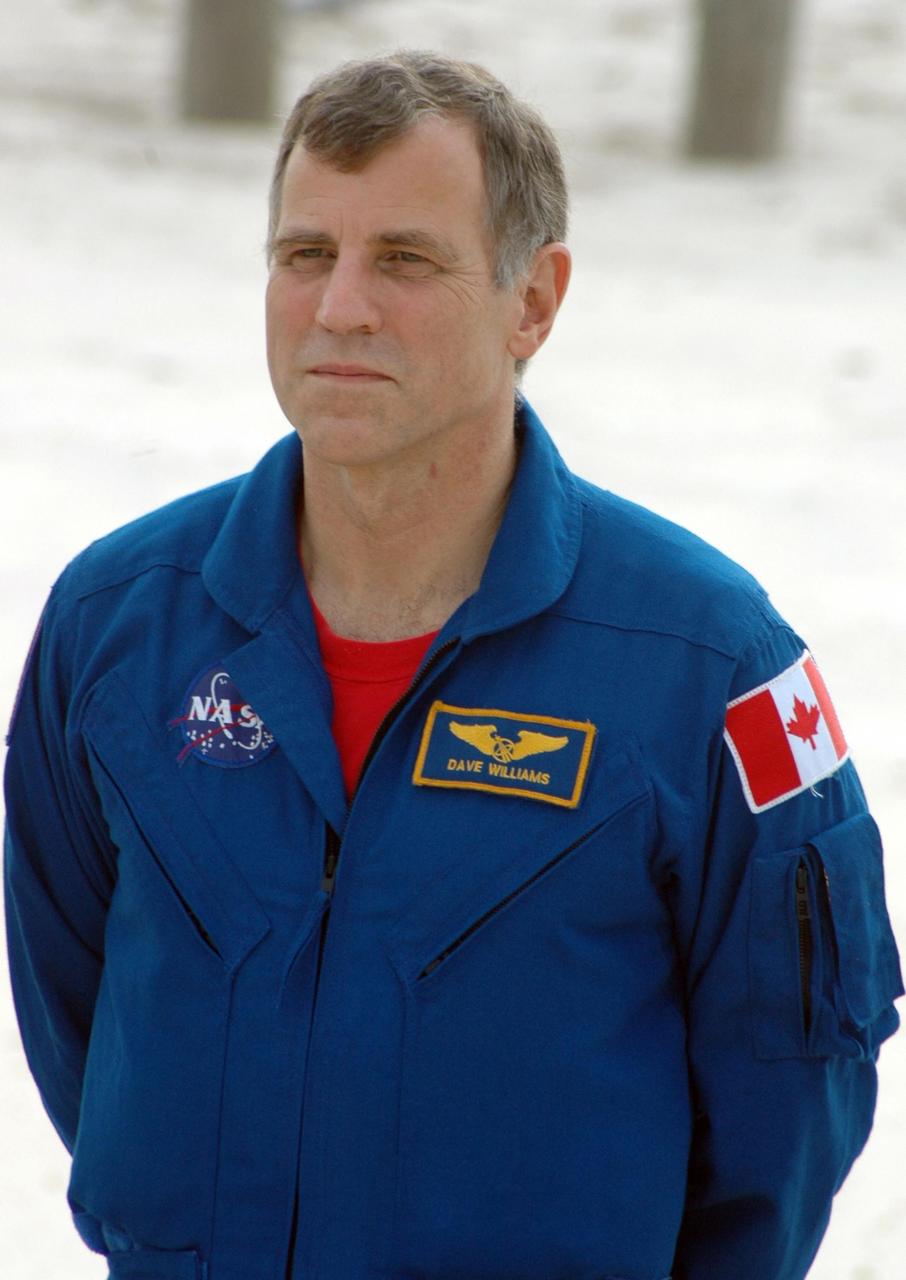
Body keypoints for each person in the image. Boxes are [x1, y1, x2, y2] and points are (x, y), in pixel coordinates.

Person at [3, 50, 902, 1280]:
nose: (341, 308)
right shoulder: (117, 629)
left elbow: (788, 1106)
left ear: (533, 300)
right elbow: (79, 1020)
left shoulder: (715, 667)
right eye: (306, 254)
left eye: (406, 260)